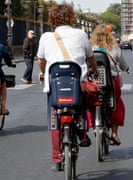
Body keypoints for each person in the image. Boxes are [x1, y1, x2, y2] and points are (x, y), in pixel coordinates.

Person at [36, 4, 98, 172]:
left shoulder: (46, 37)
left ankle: (57, 158)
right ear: (71, 18)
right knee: (83, 104)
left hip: (54, 84)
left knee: (54, 119)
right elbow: (90, 56)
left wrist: (43, 72)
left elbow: (41, 60)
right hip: (77, 83)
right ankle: (82, 133)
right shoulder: (81, 34)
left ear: (52, 19)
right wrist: (95, 69)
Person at [90, 24, 129, 146]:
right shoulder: (115, 48)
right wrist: (126, 68)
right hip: (112, 81)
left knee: (88, 101)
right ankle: (114, 134)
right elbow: (122, 64)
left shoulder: (91, 48)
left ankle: (92, 124)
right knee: (116, 104)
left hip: (95, 82)